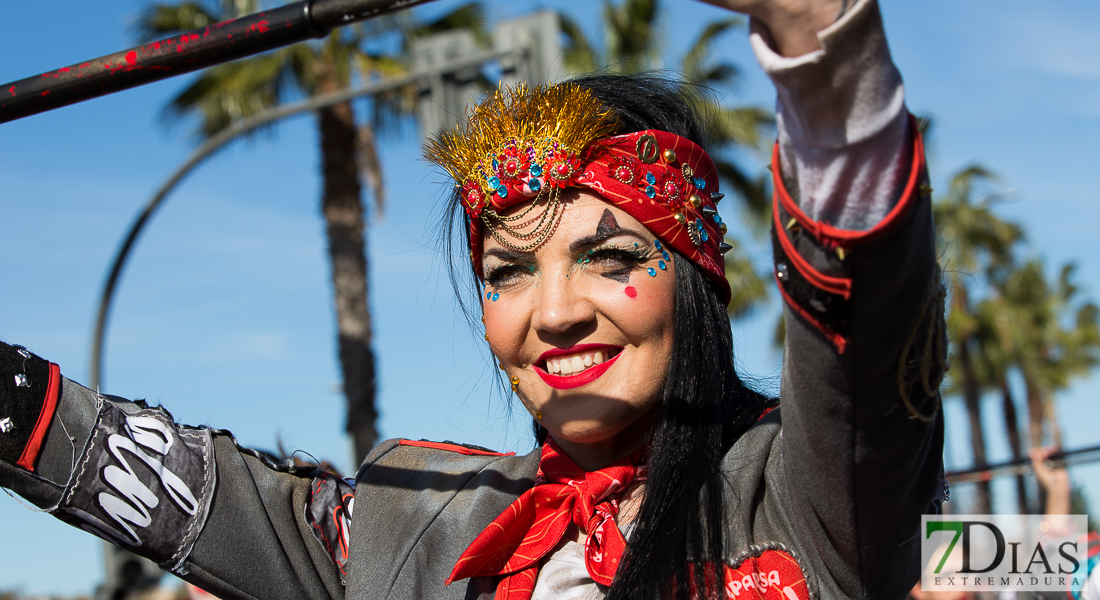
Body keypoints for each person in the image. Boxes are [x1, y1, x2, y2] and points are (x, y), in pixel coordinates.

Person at [0, 0, 948, 598]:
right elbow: (164, 483)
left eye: (608, 255)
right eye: (507, 273)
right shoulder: (410, 523)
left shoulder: (812, 492)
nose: (556, 311)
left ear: (695, 278)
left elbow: (863, 316)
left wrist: (817, 37)